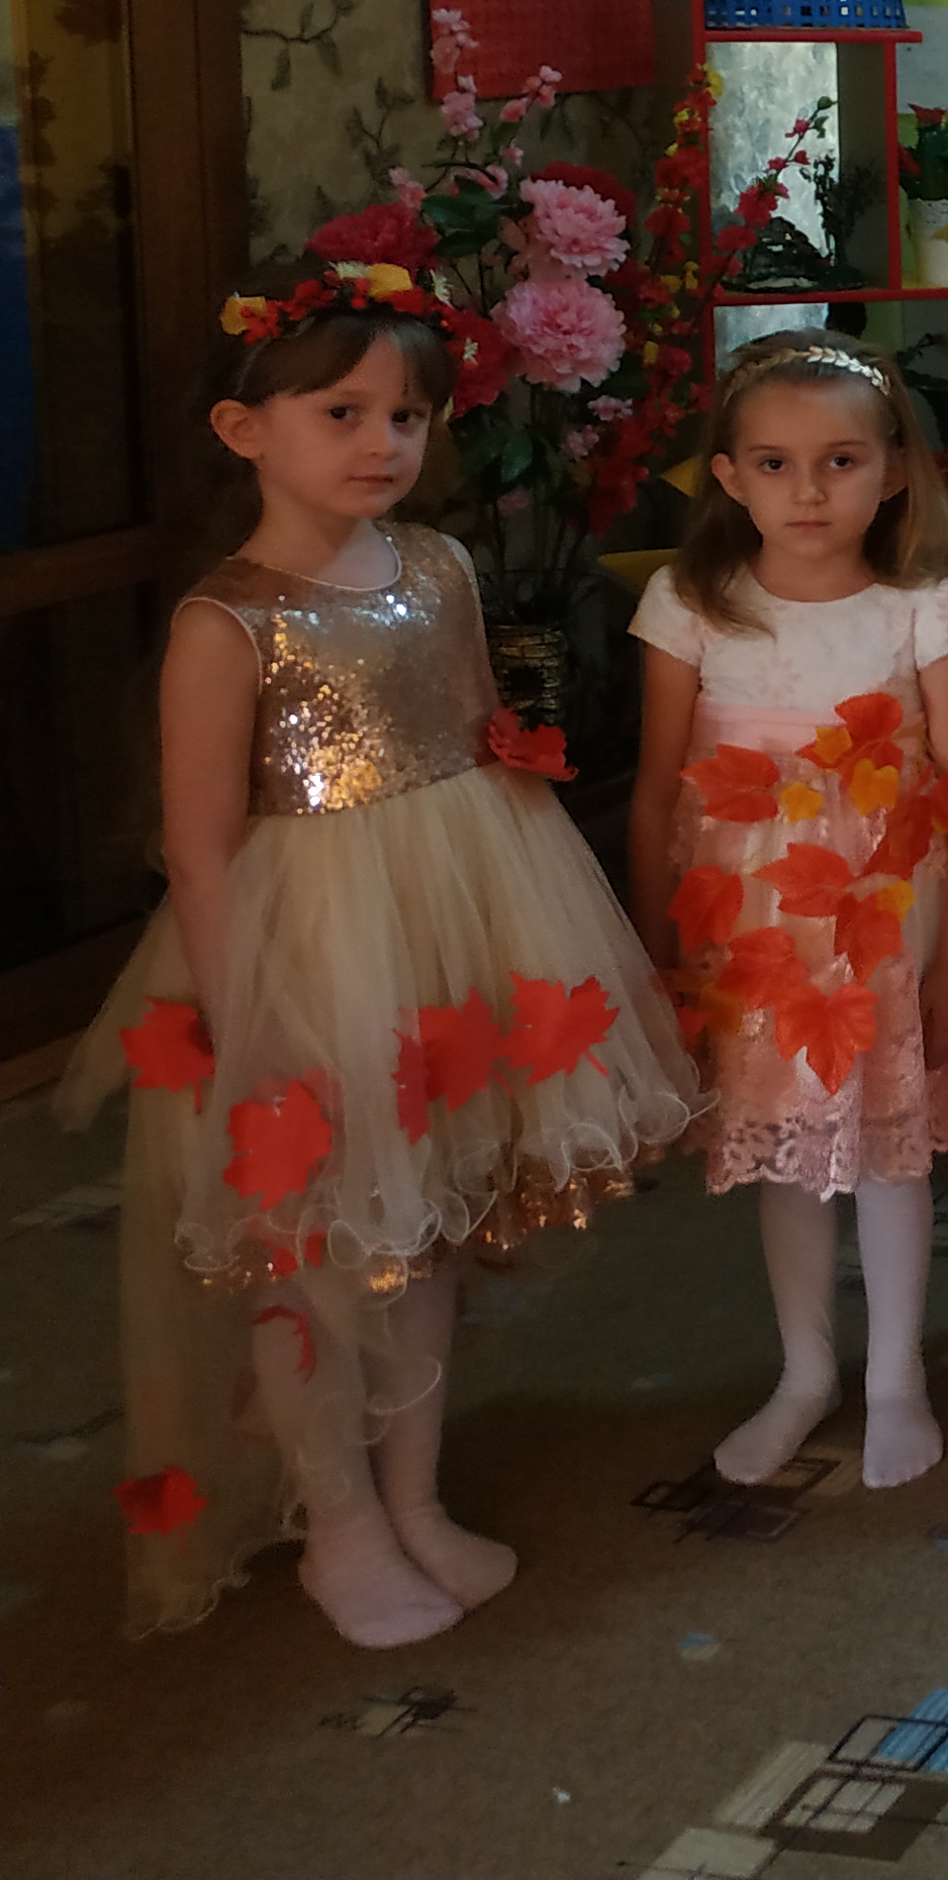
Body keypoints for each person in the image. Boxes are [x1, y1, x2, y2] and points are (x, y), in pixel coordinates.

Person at [65, 264, 693, 1643]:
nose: (382, 443)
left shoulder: (439, 569)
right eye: (341, 413)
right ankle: (335, 1520)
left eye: (406, 417)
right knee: (316, 1247)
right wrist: (250, 1024)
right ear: (246, 431)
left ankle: (413, 1495)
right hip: (299, 959)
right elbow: (203, 852)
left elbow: (471, 741)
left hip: (449, 931)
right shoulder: (225, 623)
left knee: (426, 1225)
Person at [624, 331, 948, 1495]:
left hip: (884, 915)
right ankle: (804, 1371)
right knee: (786, 1150)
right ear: (727, 478)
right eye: (774, 464)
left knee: (885, 1148)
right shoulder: (690, 603)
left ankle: (895, 1377)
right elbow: (655, 787)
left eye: (840, 461)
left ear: (892, 471)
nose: (808, 490)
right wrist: (651, 945)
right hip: (746, 925)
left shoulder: (928, 606)